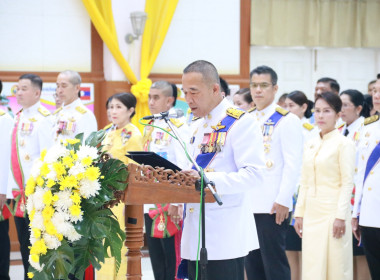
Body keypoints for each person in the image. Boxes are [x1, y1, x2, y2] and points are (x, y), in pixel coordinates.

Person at [173, 60, 265, 280]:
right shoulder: (195, 125)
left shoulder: (241, 122)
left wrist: (208, 178)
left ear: (215, 89)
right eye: (185, 92)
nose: (189, 99)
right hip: (196, 230)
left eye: (194, 92)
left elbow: (254, 174)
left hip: (225, 231)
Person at [245, 66, 303, 280]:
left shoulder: (287, 120)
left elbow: (292, 165)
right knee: (252, 263)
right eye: (254, 85)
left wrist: (283, 200)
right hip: (247, 202)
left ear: (275, 88)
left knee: (274, 263)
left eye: (263, 85)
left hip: (272, 205)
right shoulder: (245, 118)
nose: (258, 90)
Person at [294, 92, 355, 280]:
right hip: (311, 214)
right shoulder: (311, 144)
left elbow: (347, 183)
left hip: (332, 212)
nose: (320, 116)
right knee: (312, 265)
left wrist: (340, 217)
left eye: (327, 111)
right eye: (317, 111)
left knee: (336, 265)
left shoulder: (344, 144)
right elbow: (304, 181)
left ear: (338, 115)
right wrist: (299, 214)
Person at [7, 74, 54, 280]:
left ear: (37, 93)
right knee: (25, 248)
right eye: (17, 88)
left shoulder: (44, 118)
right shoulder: (18, 116)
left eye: (24, 88)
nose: (19, 92)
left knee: (37, 249)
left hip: (36, 195)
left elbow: (48, 159)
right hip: (20, 194)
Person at [143, 80, 190, 280]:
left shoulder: (178, 126)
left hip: (168, 201)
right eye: (149, 97)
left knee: (172, 258)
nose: (151, 102)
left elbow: (183, 165)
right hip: (149, 199)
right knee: (156, 258)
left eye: (156, 97)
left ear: (170, 100)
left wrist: (177, 201)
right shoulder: (150, 125)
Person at [97, 92, 143, 280]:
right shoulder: (107, 131)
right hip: (103, 197)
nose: (112, 111)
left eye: (118, 107)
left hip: (122, 197)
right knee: (103, 243)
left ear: (131, 110)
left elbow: (136, 170)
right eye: (110, 107)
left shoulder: (134, 134)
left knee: (118, 243)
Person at [282, 90, 317, 280]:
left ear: (304, 108)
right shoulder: (282, 127)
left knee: (304, 248)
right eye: (285, 106)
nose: (287, 110)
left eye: (291, 106)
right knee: (288, 247)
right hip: (288, 195)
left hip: (304, 194)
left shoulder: (310, 132)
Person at [339, 89, 371, 280]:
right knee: (345, 256)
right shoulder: (339, 129)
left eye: (345, 105)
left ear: (358, 108)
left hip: (358, 200)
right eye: (339, 105)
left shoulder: (366, 130)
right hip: (341, 201)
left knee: (361, 255)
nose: (341, 110)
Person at [352, 75, 380, 279]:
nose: (377, 95)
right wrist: (356, 212)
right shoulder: (368, 128)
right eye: (375, 91)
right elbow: (360, 174)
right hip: (370, 212)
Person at [53, 70, 97, 143]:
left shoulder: (85, 115)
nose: (59, 90)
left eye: (64, 86)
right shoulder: (57, 113)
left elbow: (87, 147)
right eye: (58, 86)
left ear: (77, 88)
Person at [0, 107, 13, 280]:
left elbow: (5, 157)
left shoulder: (4, 119)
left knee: (0, 235)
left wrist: (2, 190)